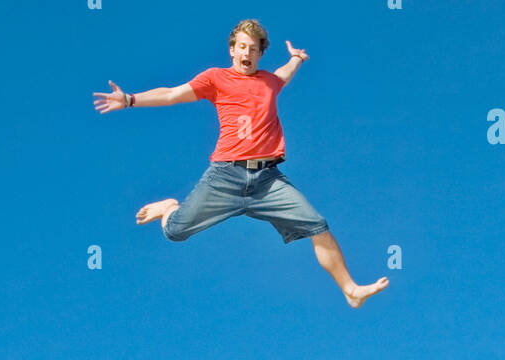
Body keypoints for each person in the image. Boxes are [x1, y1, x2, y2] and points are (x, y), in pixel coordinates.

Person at [93, 19, 389, 308]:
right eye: (242, 47)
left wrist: (296, 59)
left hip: (267, 180)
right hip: (225, 176)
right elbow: (171, 95)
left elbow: (283, 74)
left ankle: (350, 290)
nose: (247, 54)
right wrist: (130, 99)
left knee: (318, 226)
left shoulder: (269, 82)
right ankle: (169, 206)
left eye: (254, 49)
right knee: (175, 232)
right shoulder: (215, 79)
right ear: (232, 50)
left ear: (261, 54)